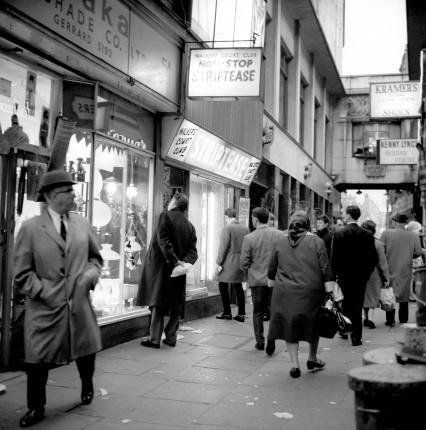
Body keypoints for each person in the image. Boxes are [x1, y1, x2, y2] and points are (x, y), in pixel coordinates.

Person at [14, 170, 103, 428]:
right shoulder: (31, 228)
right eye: (69, 191)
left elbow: (95, 258)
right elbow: (21, 273)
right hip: (44, 306)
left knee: (86, 350)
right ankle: (36, 407)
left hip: (78, 301)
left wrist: (88, 277)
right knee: (37, 360)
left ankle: (87, 383)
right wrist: (43, 290)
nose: (74, 195)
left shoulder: (82, 224)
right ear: (53, 196)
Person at [266, 211, 334, 378]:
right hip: (311, 291)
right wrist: (330, 290)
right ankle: (311, 357)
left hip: (284, 291)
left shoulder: (281, 240)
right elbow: (325, 267)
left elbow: (272, 266)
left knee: (290, 326)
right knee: (313, 324)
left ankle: (295, 365)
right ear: (307, 223)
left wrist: (271, 284)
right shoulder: (316, 241)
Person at [136, 193, 198, 348]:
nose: (168, 203)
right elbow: (193, 251)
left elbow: (163, 241)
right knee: (175, 303)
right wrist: (183, 264)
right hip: (178, 270)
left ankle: (154, 338)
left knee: (158, 302)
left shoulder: (165, 216)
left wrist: (174, 260)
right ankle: (171, 337)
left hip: (162, 267)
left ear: (175, 202)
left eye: (170, 200)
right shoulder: (190, 225)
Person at [331, 205, 378, 346]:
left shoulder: (339, 233)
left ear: (349, 215)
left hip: (344, 276)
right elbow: (373, 258)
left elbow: (335, 258)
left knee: (345, 303)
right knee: (357, 305)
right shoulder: (367, 235)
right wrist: (366, 273)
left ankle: (345, 330)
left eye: (345, 214)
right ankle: (357, 337)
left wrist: (334, 276)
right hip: (360, 277)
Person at [240, 207, 283, 350]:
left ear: (255, 219)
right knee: (274, 310)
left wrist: (249, 274)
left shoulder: (249, 238)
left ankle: (260, 341)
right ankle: (272, 340)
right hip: (275, 280)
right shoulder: (280, 235)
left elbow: (244, 262)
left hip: (257, 280)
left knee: (258, 312)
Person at [380, 213, 423, 326]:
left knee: (390, 293)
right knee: (404, 292)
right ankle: (403, 318)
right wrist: (409, 255)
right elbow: (418, 252)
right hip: (405, 267)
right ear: (405, 222)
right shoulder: (413, 235)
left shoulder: (386, 233)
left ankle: (390, 319)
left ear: (395, 221)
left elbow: (380, 250)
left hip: (389, 267)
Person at [215, 208, 250, 322]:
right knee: (238, 287)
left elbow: (223, 247)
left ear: (226, 217)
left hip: (229, 261)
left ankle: (227, 312)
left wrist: (219, 262)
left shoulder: (227, 228)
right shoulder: (245, 228)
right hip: (241, 261)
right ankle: (241, 314)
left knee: (222, 285)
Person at [361, 220, 390, 329]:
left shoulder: (358, 242)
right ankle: (370, 318)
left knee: (364, 295)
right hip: (375, 273)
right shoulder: (378, 244)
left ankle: (365, 318)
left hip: (361, 272)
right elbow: (383, 262)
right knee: (373, 295)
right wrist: (386, 278)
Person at [406, 220, 426, 301]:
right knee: (413, 278)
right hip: (414, 260)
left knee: (411, 278)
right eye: (418, 230)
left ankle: (411, 295)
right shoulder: (414, 236)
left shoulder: (408, 235)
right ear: (414, 229)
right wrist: (424, 251)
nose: (419, 232)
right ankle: (412, 296)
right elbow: (417, 250)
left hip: (410, 260)